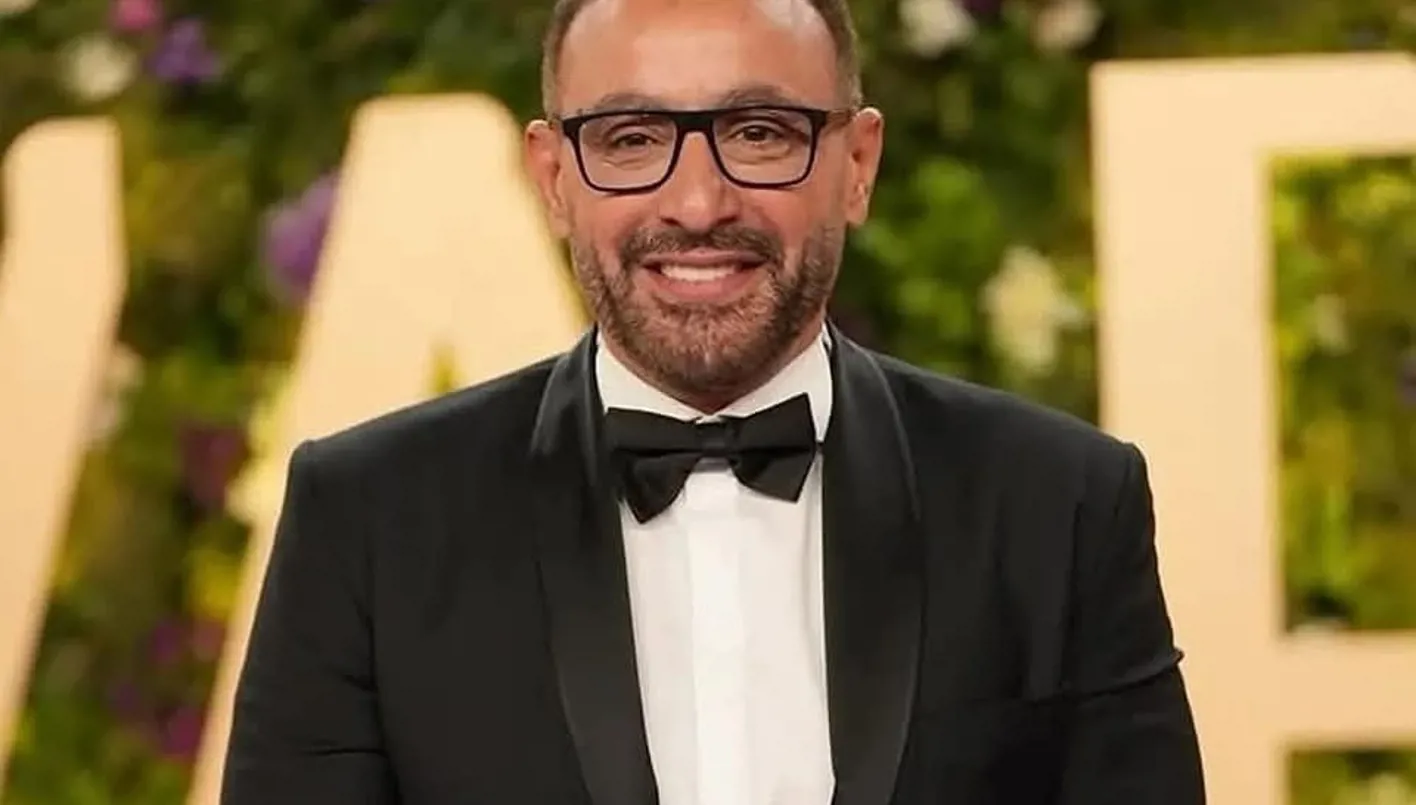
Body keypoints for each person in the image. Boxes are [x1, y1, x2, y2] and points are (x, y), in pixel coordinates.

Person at [220, 0, 1207, 801]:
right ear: (554, 178)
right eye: (632, 137)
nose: (697, 204)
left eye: (760, 133)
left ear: (857, 165)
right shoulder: (369, 518)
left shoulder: (1059, 503)